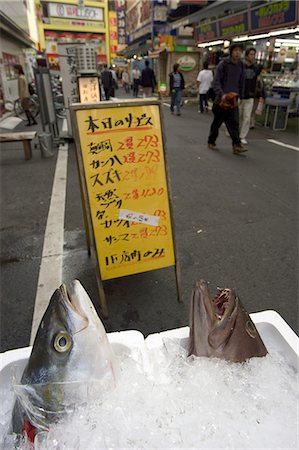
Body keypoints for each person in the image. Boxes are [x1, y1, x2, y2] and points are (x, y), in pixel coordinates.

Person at [207, 43, 246, 155]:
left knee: (234, 122)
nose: (238, 53)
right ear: (231, 52)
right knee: (217, 123)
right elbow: (216, 82)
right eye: (236, 50)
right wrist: (222, 94)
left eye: (240, 51)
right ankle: (211, 141)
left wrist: (241, 96)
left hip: (233, 99)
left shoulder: (241, 65)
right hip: (221, 100)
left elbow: (241, 82)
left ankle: (237, 145)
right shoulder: (223, 64)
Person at [239, 47, 260, 144]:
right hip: (239, 95)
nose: (253, 56)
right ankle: (232, 131)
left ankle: (242, 136)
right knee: (237, 115)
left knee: (247, 117)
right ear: (246, 55)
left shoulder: (256, 68)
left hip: (250, 95)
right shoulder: (240, 66)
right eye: (251, 54)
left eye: (254, 54)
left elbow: (257, 79)